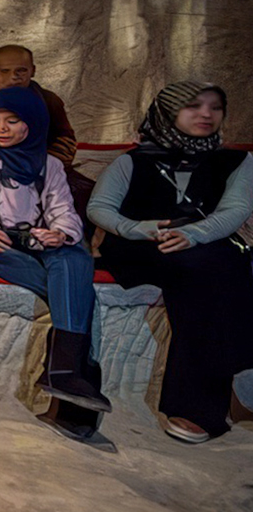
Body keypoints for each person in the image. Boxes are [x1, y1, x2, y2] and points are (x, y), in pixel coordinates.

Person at [0, 85, 112, 438]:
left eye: (13, 120)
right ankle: (68, 382)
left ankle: (63, 373)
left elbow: (66, 214)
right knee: (72, 291)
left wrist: (60, 234)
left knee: (74, 257)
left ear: (34, 124)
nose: (2, 128)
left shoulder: (49, 164)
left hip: (28, 242)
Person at [88, 81, 253, 443]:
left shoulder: (237, 160)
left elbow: (236, 210)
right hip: (141, 245)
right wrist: (137, 228)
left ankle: (206, 401)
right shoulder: (132, 160)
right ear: (169, 112)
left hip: (204, 245)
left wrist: (194, 234)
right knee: (208, 269)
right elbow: (99, 207)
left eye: (215, 107)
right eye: (193, 106)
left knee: (222, 263)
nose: (206, 115)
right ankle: (235, 373)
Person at [0, 45, 96, 226]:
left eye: (21, 70)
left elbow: (64, 140)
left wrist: (39, 167)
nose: (13, 77)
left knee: (91, 198)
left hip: (38, 168)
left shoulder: (47, 100)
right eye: (4, 71)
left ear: (33, 71)